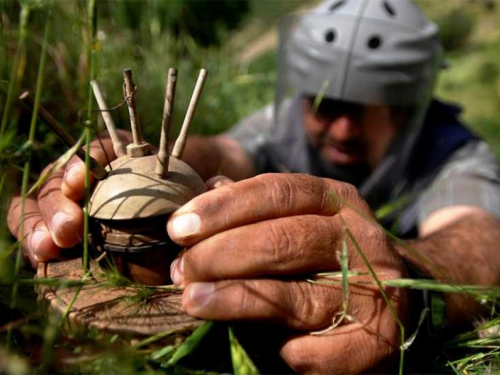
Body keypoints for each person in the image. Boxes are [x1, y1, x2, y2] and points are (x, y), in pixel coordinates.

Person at [7, 0, 500, 372]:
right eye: (328, 105)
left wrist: (406, 280)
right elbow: (221, 152)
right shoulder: (283, 123)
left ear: (406, 106)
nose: (342, 130)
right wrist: (132, 167)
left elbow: (481, 243)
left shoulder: (454, 152)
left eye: (366, 109)